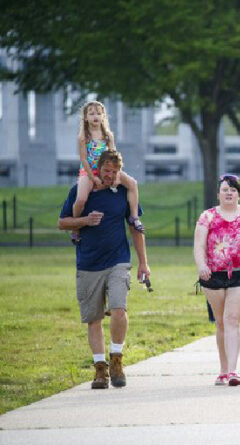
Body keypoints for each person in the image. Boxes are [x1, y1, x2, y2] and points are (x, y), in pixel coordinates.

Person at [58, 149, 150, 390]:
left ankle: (116, 359)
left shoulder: (123, 192)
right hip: (88, 264)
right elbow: (62, 222)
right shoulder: (82, 191)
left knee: (119, 308)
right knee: (94, 318)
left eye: (114, 171)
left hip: (118, 260)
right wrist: (85, 221)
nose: (110, 176)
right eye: (106, 171)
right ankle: (100, 369)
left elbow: (135, 228)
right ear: (97, 168)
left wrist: (143, 262)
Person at [193, 174, 240, 387]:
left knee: (232, 318)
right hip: (213, 275)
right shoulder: (207, 216)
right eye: (225, 189)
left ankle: (233, 371)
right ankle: (223, 369)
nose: (229, 193)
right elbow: (199, 245)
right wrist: (202, 266)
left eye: (233, 189)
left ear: (239, 194)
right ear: (218, 194)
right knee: (221, 322)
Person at [71, 101, 144, 244]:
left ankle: (134, 217)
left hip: (108, 169)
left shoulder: (108, 135)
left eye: (98, 113)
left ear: (103, 116)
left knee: (132, 184)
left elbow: (114, 156)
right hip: (89, 171)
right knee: (80, 199)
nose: (95, 116)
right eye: (91, 113)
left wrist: (116, 174)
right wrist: (93, 178)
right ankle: (76, 227)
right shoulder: (83, 137)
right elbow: (84, 160)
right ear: (85, 117)